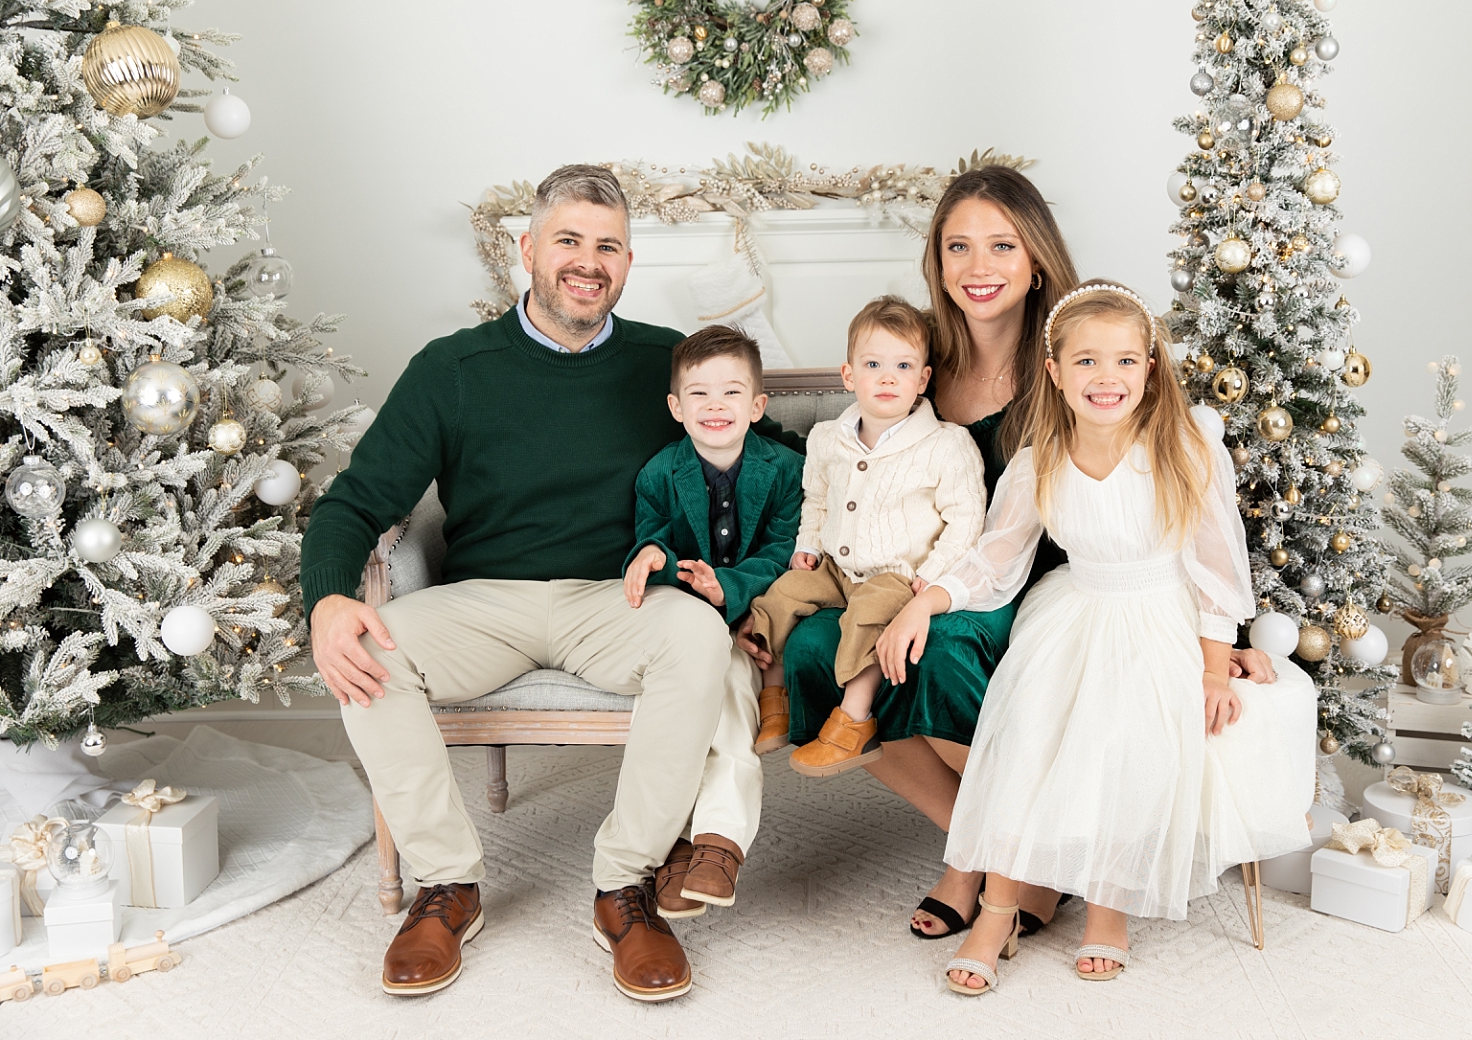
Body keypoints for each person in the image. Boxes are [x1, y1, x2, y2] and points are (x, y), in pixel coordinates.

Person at [741, 167, 1278, 942]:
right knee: (824, 646)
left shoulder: (1077, 352)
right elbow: (833, 453)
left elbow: (1177, 497)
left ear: (1036, 260)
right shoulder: (913, 355)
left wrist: (1227, 642)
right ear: (937, 260)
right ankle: (996, 856)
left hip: (1050, 584)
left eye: (1002, 245)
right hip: (935, 575)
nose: (979, 266)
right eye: (958, 246)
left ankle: (978, 867)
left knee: (943, 650)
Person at [303, 165, 797, 1003]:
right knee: (368, 651)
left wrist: (871, 452)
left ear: (628, 263)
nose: (587, 261)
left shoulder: (660, 362)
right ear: (528, 249)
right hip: (484, 599)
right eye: (568, 240)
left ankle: (625, 886)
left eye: (607, 246)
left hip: (619, 597)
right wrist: (325, 600)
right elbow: (354, 503)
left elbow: (763, 438)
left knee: (695, 636)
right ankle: (447, 884)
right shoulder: (452, 368)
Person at [876, 281, 1314, 995]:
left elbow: (1214, 573)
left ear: (1149, 368)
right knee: (1025, 741)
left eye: (1122, 361)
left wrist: (1210, 669)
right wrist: (929, 598)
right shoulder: (1039, 457)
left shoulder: (1182, 449)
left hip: (1157, 618)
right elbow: (997, 557)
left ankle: (1108, 905)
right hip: (1074, 609)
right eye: (1085, 362)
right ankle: (997, 908)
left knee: (1121, 744)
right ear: (1053, 371)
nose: (1105, 378)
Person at [746, 297, 986, 777]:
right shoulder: (825, 438)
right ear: (849, 375)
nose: (888, 377)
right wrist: (807, 547)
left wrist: (933, 576)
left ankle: (854, 720)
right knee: (778, 598)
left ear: (923, 378)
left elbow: (967, 519)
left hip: (899, 574)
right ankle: (775, 700)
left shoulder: (945, 443)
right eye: (873, 365)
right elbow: (816, 499)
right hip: (835, 565)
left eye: (903, 366)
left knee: (867, 618)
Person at [622, 324, 804, 917]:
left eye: (731, 393)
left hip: (753, 613)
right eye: (699, 394)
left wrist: (727, 589)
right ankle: (691, 845)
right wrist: (659, 561)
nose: (715, 407)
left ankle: (715, 843)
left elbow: (784, 553)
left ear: (757, 405)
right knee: (696, 688)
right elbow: (650, 544)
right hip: (684, 622)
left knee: (726, 682)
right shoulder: (658, 474)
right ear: (676, 408)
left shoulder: (785, 469)